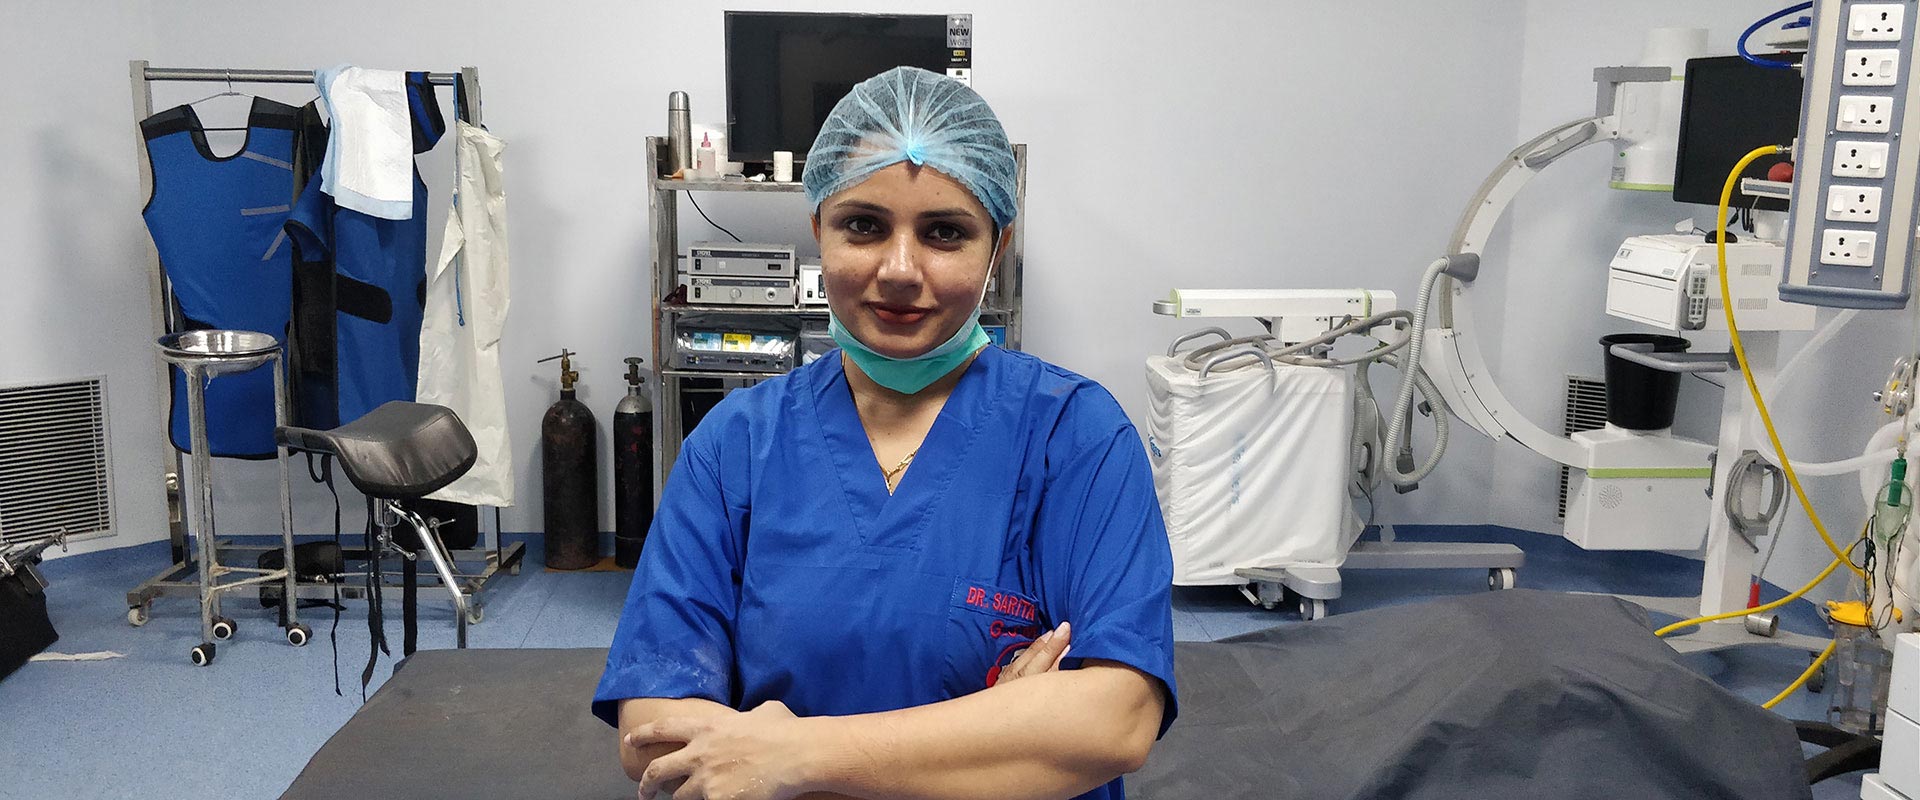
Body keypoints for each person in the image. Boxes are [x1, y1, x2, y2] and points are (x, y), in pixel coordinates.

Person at [593, 66, 1177, 800]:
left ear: (997, 247)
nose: (900, 270)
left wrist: (793, 756)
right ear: (819, 229)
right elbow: (654, 731)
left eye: (945, 233)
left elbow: (1117, 722)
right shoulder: (734, 446)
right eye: (864, 225)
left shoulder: (1076, 436)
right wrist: (1002, 729)